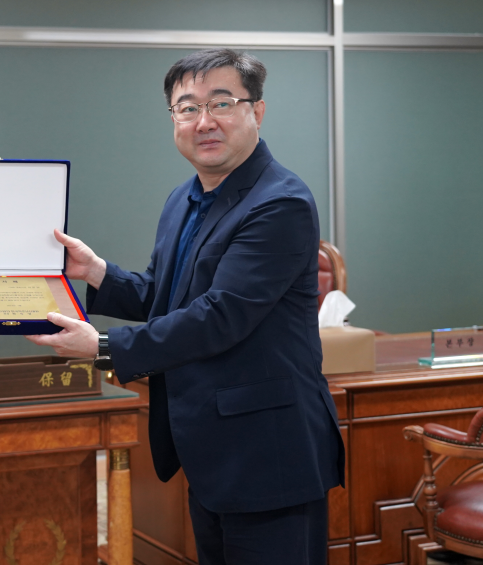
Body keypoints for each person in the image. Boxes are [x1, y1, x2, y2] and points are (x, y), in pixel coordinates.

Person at [26, 48, 344, 565]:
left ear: (256, 111)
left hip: (270, 455)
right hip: (212, 450)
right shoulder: (186, 198)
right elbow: (166, 297)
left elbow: (221, 316)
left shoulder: (279, 202)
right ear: (173, 118)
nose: (205, 121)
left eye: (222, 103)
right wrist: (96, 271)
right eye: (188, 107)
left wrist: (104, 346)